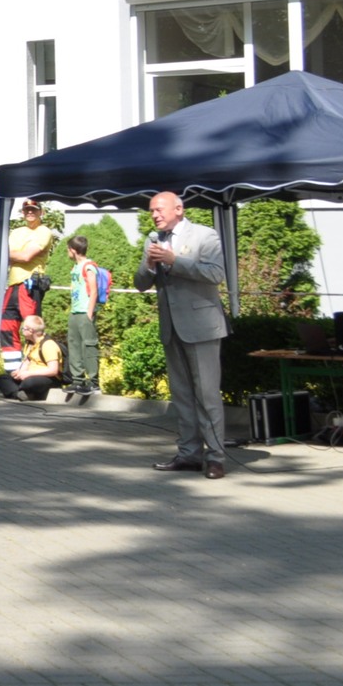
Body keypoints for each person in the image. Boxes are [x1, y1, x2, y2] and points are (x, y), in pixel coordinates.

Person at [137, 191, 229, 478]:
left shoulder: (204, 235)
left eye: (159, 209)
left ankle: (215, 458)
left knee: (207, 396)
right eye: (151, 211)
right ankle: (189, 454)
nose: (154, 215)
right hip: (171, 327)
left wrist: (174, 260)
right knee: (183, 396)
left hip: (201, 326)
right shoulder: (152, 240)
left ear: (179, 209)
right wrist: (149, 266)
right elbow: (140, 283)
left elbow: (216, 274)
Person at [3, 199, 55, 349]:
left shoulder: (43, 231)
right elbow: (5, 255)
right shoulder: (16, 232)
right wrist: (12, 255)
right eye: (27, 210)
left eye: (34, 209)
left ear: (41, 212)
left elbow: (26, 256)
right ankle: (12, 363)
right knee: (6, 326)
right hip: (13, 284)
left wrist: (11, 254)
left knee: (32, 329)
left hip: (30, 285)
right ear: (22, 213)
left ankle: (37, 360)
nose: (30, 212)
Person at [0, 315, 63, 402]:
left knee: (28, 383)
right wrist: (19, 372)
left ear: (31, 331)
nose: (22, 331)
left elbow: (53, 370)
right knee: (2, 379)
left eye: (23, 328)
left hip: (47, 378)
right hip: (29, 376)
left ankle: (20, 392)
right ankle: (19, 394)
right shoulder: (30, 343)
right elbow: (27, 361)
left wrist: (28, 374)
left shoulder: (48, 345)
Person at [64, 235, 101, 394]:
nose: (67, 252)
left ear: (73, 250)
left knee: (89, 345)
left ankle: (93, 382)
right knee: (74, 345)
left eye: (68, 249)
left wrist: (89, 313)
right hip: (75, 311)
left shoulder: (88, 266)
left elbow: (94, 291)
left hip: (85, 312)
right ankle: (77, 380)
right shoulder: (75, 267)